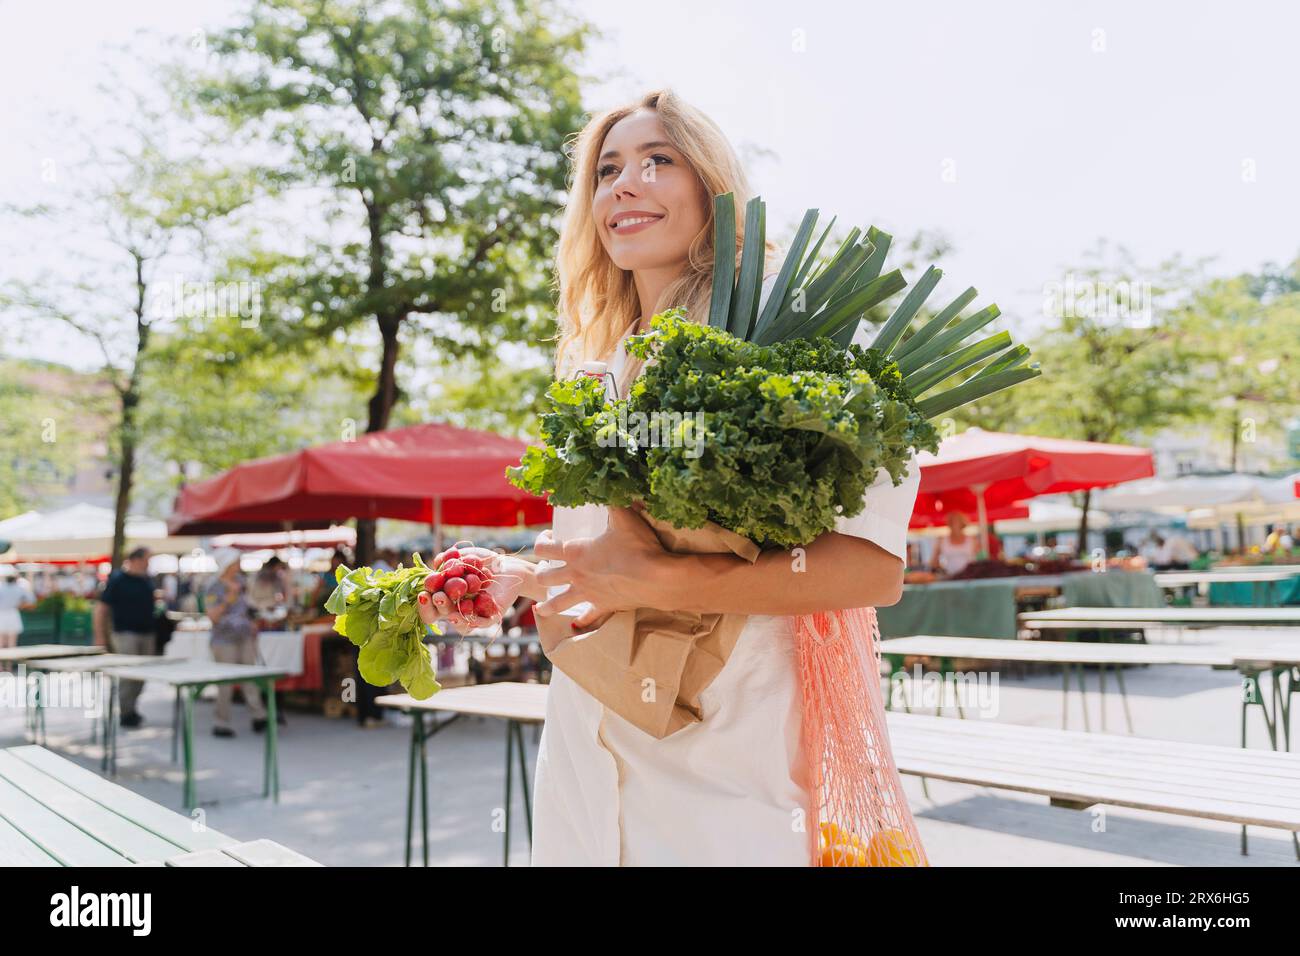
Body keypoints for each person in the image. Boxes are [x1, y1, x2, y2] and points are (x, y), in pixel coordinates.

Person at [417, 91, 921, 866]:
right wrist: (519, 574)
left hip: (730, 764)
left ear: (713, 188)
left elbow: (871, 568)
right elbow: (603, 559)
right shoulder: (598, 373)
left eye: (659, 161)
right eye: (608, 169)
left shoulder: (798, 340)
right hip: (587, 751)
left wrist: (661, 580)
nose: (624, 183)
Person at [201, 548, 267, 738]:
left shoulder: (241, 582)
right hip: (224, 639)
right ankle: (221, 722)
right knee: (225, 683)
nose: (239, 565)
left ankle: (259, 716)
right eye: (236, 562)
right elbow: (213, 616)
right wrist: (229, 598)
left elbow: (246, 608)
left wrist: (252, 623)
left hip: (244, 636)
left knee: (250, 677)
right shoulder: (213, 586)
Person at [95, 547, 158, 728]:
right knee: (128, 674)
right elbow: (102, 608)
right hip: (124, 633)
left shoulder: (147, 579)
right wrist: (100, 636)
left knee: (142, 675)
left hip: (147, 632)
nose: (149, 563)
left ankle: (131, 709)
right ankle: (124, 711)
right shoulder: (117, 579)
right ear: (136, 559)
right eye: (147, 559)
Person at [930, 511, 978, 577]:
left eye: (957, 522)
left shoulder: (972, 540)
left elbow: (980, 559)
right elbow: (933, 562)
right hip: (950, 577)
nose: (955, 525)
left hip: (969, 577)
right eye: (952, 522)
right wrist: (942, 571)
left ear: (962, 524)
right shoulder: (942, 541)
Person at [0, 566, 34, 649]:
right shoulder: (19, 588)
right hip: (13, 613)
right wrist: (20, 605)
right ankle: (9, 662)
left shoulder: (1, 588)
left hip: (3, 614)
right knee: (12, 643)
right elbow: (31, 600)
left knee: (1, 642)